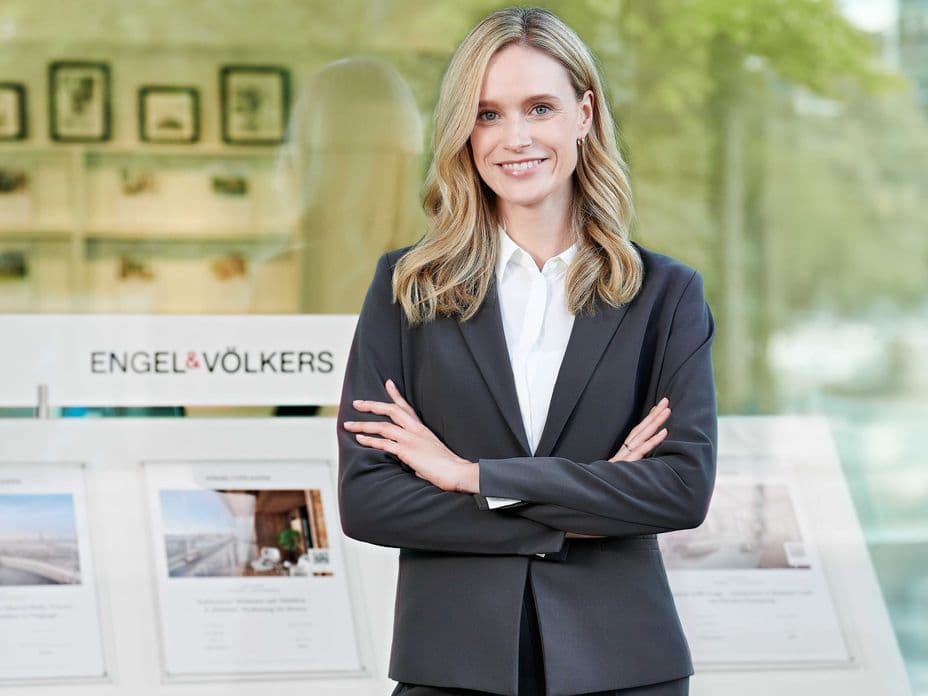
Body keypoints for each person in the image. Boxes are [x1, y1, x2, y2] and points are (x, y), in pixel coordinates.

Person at [337, 7, 717, 696]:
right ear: (463, 131)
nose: (514, 138)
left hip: (624, 667)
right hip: (451, 667)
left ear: (584, 114)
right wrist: (591, 504)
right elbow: (371, 501)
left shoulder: (666, 295)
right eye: (487, 115)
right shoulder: (407, 289)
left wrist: (470, 476)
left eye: (539, 107)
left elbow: (679, 491)